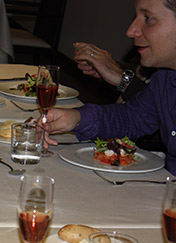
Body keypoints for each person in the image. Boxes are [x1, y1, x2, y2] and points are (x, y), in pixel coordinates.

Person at [43, 0, 176, 175]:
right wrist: (77, 118)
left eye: (148, 18)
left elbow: (134, 89)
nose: (130, 31)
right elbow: (133, 116)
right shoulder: (165, 76)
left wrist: (121, 77)